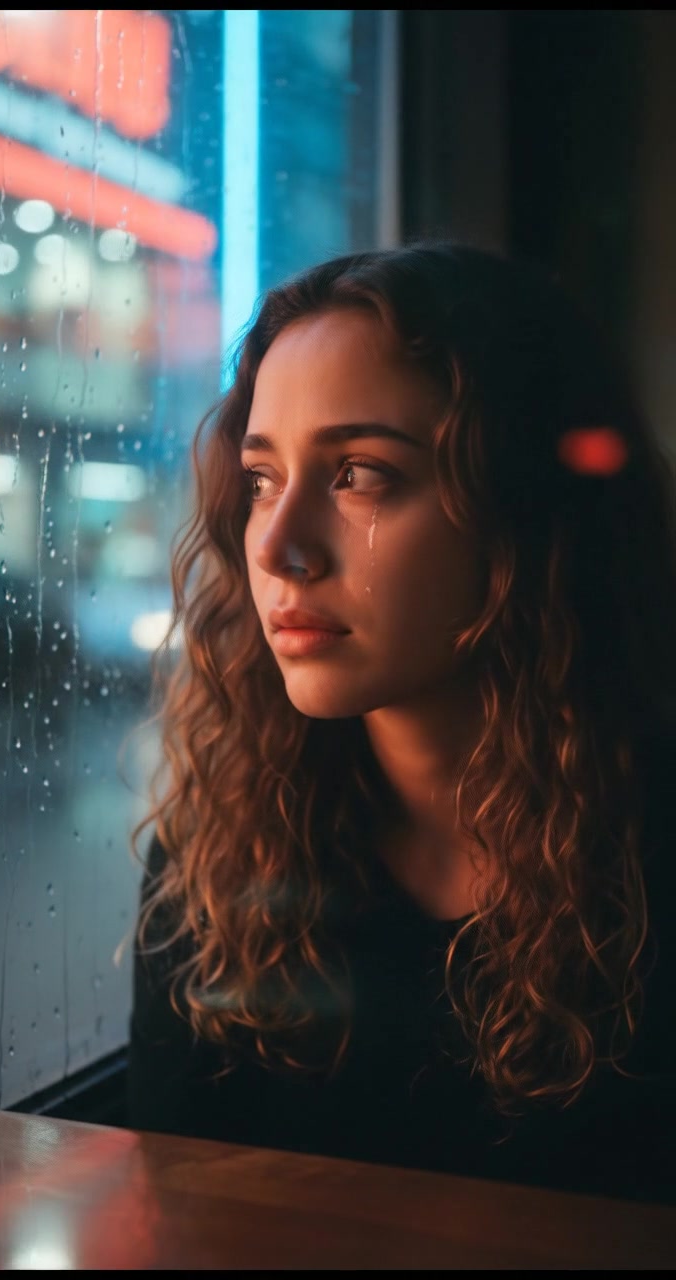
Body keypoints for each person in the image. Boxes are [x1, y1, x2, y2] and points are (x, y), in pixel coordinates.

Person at [127, 243, 676, 1204]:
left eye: (359, 475)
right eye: (260, 480)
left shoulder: (654, 856)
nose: (280, 546)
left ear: (521, 508)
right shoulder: (219, 860)